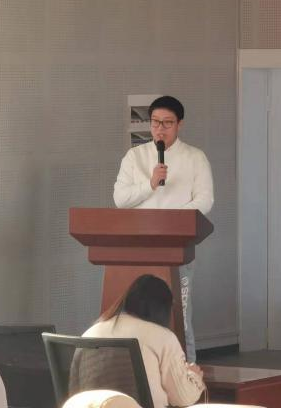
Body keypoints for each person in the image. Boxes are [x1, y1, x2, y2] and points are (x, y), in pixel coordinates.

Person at [113, 95, 214, 362]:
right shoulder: (135, 156)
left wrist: (172, 222)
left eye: (167, 123)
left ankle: (187, 374)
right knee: (136, 315)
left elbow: (205, 200)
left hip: (178, 247)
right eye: (155, 122)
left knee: (179, 315)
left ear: (179, 124)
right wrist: (150, 184)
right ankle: (141, 370)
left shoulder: (195, 157)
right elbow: (120, 199)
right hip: (139, 248)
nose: (160, 129)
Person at [77, 275, 205, 408]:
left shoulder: (90, 332)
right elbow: (183, 398)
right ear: (163, 308)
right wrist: (194, 376)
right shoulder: (162, 337)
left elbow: (74, 390)